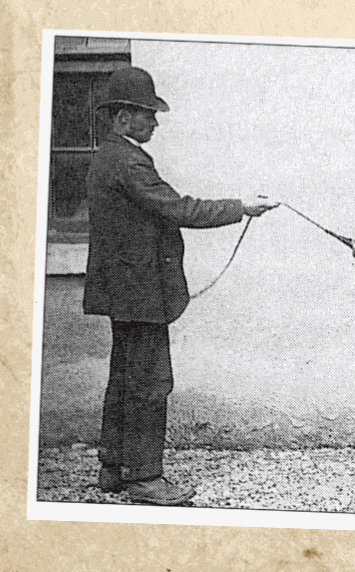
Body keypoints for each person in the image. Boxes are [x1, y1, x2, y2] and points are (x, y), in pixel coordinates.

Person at [83, 66, 278, 505]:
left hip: (124, 291)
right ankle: (146, 480)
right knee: (151, 383)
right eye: (146, 115)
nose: (154, 122)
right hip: (140, 292)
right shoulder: (128, 161)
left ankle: (112, 468)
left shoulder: (107, 157)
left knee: (123, 379)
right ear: (121, 119)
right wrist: (241, 206)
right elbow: (179, 209)